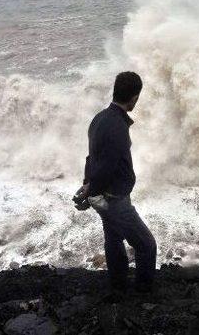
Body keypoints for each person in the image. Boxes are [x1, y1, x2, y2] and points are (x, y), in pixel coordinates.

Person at [73, 71, 157, 293]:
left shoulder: (99, 119)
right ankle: (144, 292)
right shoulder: (117, 127)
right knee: (146, 245)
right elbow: (107, 166)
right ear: (134, 97)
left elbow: (91, 158)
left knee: (113, 239)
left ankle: (118, 285)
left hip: (104, 196)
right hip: (113, 199)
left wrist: (87, 184)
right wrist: (93, 190)